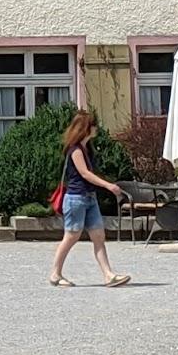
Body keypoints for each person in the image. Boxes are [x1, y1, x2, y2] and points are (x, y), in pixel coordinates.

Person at [48, 109, 131, 288]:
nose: (97, 129)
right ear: (86, 128)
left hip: (90, 198)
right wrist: (109, 186)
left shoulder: (87, 149)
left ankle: (109, 275)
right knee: (71, 236)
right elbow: (85, 174)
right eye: (94, 125)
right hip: (76, 199)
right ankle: (55, 273)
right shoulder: (75, 150)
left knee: (98, 236)